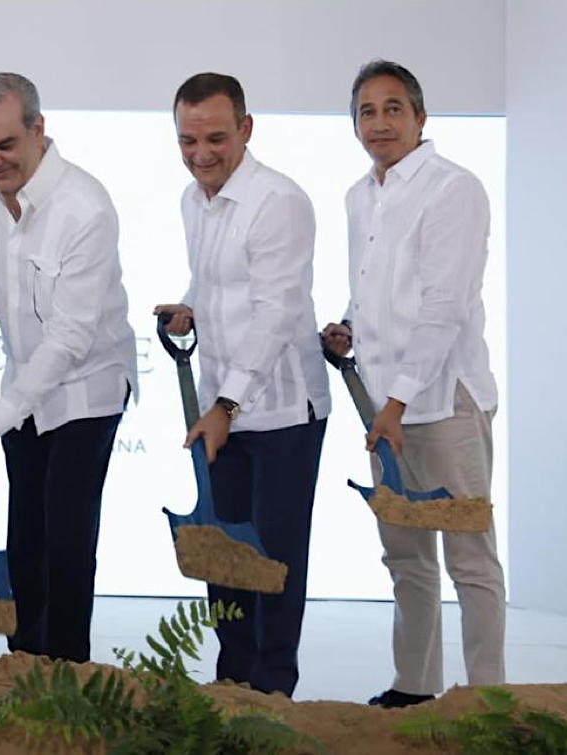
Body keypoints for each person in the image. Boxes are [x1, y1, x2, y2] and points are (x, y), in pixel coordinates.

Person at [322, 59, 505, 708]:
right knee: (405, 555)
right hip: (383, 407)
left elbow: (443, 305)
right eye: (366, 112)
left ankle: (487, 698)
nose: (380, 123)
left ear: (421, 118)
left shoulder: (453, 189)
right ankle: (415, 685)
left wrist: (396, 402)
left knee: (470, 560)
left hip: (442, 401)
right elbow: (378, 291)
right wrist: (347, 327)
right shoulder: (358, 196)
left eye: (393, 108)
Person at [0, 72, 137, 663]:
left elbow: (72, 338)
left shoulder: (85, 207)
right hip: (25, 385)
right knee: (24, 539)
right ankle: (22, 665)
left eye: (3, 146)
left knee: (66, 541)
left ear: (38, 129)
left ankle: (68, 682)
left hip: (86, 388)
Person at [154, 73, 330, 697]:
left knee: (274, 559)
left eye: (216, 138)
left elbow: (277, 310)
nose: (201, 154)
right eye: (188, 140)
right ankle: (230, 684)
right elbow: (216, 282)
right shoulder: (192, 200)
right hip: (221, 410)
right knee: (222, 552)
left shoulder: (278, 201)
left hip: (281, 411)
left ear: (246, 130)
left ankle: (274, 692)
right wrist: (189, 307)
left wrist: (228, 403)